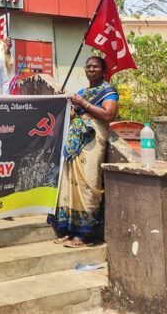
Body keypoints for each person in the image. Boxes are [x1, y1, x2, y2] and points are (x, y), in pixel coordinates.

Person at [48, 56, 118, 248]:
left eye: (95, 66)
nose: (91, 69)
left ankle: (85, 235)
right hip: (75, 141)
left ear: (103, 70)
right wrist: (69, 107)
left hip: (92, 140)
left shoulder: (108, 91)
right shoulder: (82, 92)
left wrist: (84, 103)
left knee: (87, 183)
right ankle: (69, 229)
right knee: (70, 185)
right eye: (88, 67)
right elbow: (74, 113)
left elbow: (108, 115)